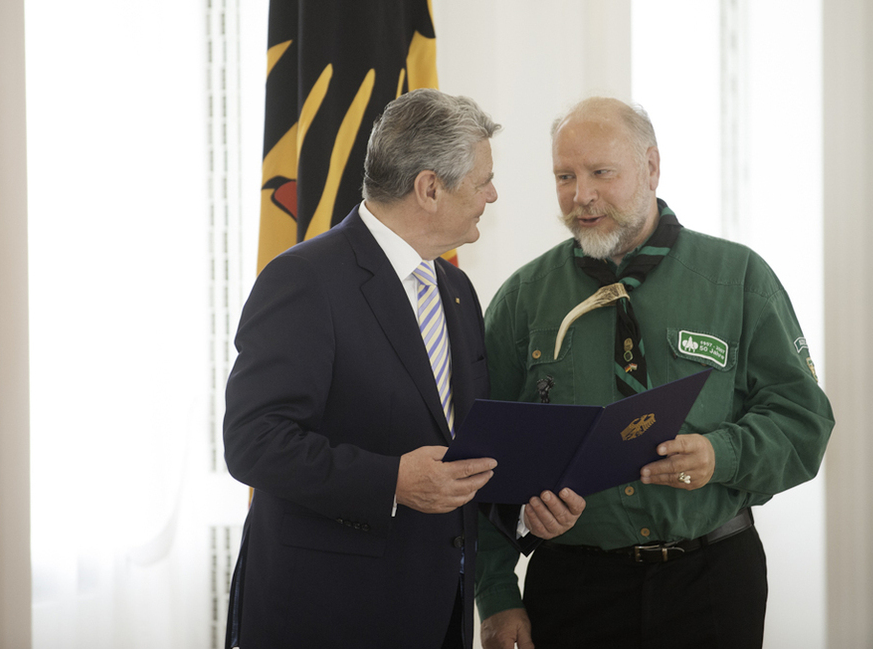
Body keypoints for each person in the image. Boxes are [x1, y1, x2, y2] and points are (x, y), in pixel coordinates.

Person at [222, 88, 581, 649]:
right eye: (483, 179)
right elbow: (253, 441)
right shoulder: (304, 280)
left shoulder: (456, 289)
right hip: (326, 615)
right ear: (430, 187)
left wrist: (526, 514)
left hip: (437, 612)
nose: (492, 193)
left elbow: (462, 448)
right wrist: (391, 481)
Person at [475, 97, 835, 649]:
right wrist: (497, 594)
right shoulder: (524, 299)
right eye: (565, 176)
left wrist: (723, 455)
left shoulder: (738, 278)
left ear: (651, 167)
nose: (582, 195)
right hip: (574, 585)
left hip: (711, 576)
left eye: (602, 173)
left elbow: (804, 421)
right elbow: (480, 458)